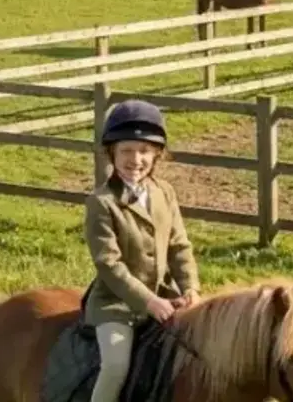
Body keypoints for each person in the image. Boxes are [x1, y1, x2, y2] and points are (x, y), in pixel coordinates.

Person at [83, 100, 201, 402]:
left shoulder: (165, 192)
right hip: (116, 305)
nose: (135, 159)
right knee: (115, 366)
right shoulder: (101, 202)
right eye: (126, 151)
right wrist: (149, 301)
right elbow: (110, 265)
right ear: (112, 153)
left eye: (144, 151)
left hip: (165, 295)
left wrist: (190, 289)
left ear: (157, 154)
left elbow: (179, 246)